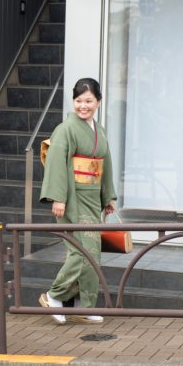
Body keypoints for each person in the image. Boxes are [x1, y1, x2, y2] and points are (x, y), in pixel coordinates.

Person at [39, 78, 117, 325]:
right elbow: (55, 163)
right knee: (81, 252)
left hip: (92, 197)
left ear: (98, 102)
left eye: (89, 101)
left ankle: (85, 304)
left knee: (93, 252)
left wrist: (108, 196)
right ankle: (55, 295)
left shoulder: (99, 130)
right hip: (72, 197)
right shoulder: (66, 129)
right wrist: (58, 197)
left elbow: (106, 164)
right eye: (79, 101)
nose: (83, 106)